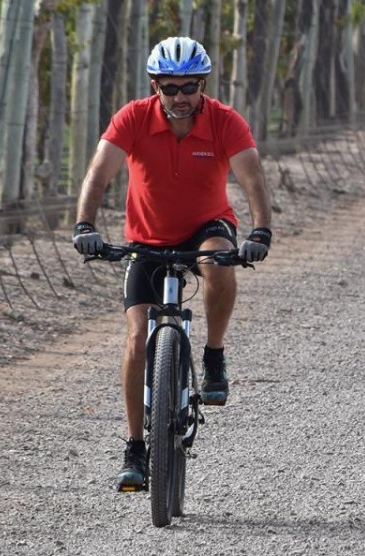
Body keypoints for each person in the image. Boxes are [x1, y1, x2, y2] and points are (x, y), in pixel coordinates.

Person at [71, 37, 274, 492]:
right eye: (170, 87)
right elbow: (98, 173)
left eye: (190, 86)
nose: (181, 96)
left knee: (218, 264)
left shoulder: (225, 122)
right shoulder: (133, 118)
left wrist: (260, 230)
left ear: (203, 84)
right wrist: (85, 225)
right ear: (155, 86)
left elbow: (252, 177)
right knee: (137, 337)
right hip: (146, 238)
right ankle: (134, 448)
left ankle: (214, 355)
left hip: (206, 225)